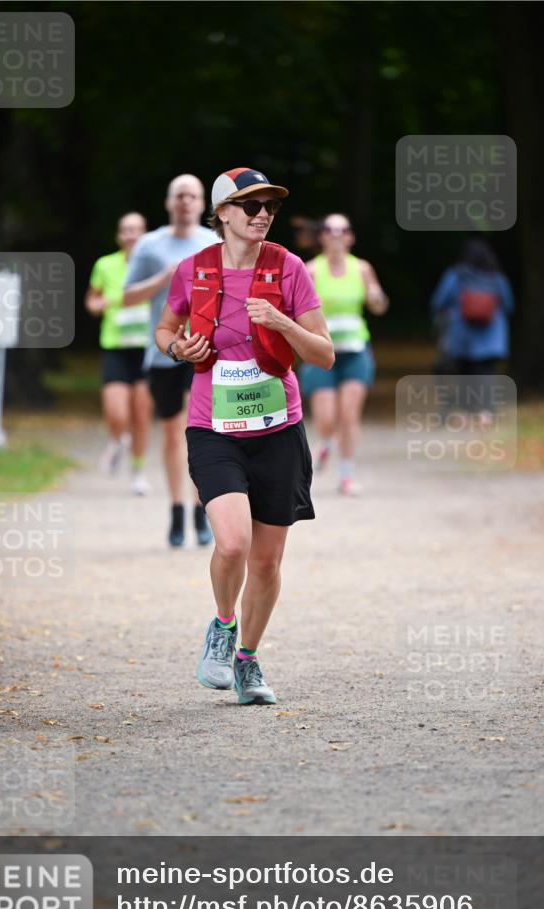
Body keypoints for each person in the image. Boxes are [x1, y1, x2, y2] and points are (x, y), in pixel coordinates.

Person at [155, 167, 334, 705]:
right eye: (250, 205)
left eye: (269, 207)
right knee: (232, 543)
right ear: (223, 213)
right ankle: (222, 625)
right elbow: (165, 329)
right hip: (214, 428)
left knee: (267, 561)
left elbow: (323, 352)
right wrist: (175, 349)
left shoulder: (289, 268)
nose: (262, 215)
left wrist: (282, 323)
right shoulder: (192, 270)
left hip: (278, 428)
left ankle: (248, 662)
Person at [123, 175, 218, 547]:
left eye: (192, 196)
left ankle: (201, 510)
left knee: (203, 434)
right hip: (164, 354)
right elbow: (128, 297)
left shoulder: (214, 243)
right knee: (173, 434)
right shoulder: (150, 245)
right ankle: (177, 509)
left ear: (202, 204)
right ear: (168, 202)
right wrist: (164, 277)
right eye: (180, 195)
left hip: (207, 354)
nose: (186, 202)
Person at [298, 214, 388, 496]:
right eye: (330, 230)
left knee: (349, 415)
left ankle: (346, 475)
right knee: (326, 418)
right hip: (322, 353)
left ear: (351, 237)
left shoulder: (361, 268)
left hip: (356, 351)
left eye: (343, 230)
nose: (337, 234)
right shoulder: (310, 270)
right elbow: (297, 313)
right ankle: (326, 442)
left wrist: (375, 296)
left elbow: (380, 306)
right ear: (322, 237)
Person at [85, 212, 154, 495]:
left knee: (141, 414)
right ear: (119, 235)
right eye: (126, 230)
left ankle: (137, 472)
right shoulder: (105, 264)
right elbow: (91, 299)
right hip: (115, 346)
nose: (131, 235)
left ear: (145, 234)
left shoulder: (154, 265)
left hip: (147, 347)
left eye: (136, 230)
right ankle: (117, 441)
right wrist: (98, 304)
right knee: (116, 412)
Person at [430, 238, 514, 425]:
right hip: (492, 337)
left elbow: (438, 301)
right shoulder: (497, 278)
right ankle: (486, 414)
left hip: (461, 336)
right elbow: (508, 304)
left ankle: (466, 415)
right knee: (486, 376)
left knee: (464, 376)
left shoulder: (455, 275)